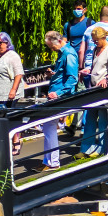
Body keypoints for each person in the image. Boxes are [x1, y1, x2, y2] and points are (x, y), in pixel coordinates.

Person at [39, 31, 79, 170]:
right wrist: (54, 74)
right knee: (48, 126)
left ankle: (52, 161)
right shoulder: (63, 53)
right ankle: (49, 161)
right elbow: (64, 74)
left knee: (49, 125)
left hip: (60, 95)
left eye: (52, 47)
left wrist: (59, 93)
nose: (52, 49)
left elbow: (72, 78)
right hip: (56, 93)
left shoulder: (68, 54)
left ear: (58, 41)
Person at [81, 26, 108, 156]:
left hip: (104, 88)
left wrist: (106, 79)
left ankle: (105, 148)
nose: (95, 42)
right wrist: (87, 71)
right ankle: (86, 148)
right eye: (93, 40)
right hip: (94, 87)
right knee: (90, 119)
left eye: (96, 40)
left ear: (103, 37)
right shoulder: (95, 49)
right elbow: (96, 66)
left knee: (104, 120)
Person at [0, 32, 25, 155]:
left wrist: (13, 90)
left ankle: (15, 142)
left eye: (0, 43)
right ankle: (3, 142)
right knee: (0, 119)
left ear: (7, 43)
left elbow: (19, 74)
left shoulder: (12, 56)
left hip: (9, 94)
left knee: (8, 117)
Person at [63, 0, 90, 80]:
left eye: (79, 9)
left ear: (85, 10)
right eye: (75, 9)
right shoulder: (68, 25)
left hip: (86, 60)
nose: (76, 11)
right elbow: (64, 41)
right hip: (72, 60)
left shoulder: (90, 23)